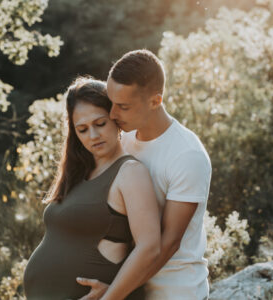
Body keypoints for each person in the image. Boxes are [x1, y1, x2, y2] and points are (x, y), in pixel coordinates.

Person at [78, 50, 212, 300]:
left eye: (123, 106)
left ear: (155, 101)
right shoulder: (123, 140)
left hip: (174, 293)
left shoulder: (187, 155)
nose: (113, 114)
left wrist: (113, 294)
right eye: (112, 103)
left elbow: (167, 244)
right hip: (130, 289)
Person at [23, 76, 161, 300]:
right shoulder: (77, 174)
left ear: (115, 117)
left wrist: (110, 298)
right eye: (83, 129)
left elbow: (149, 248)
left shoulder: (130, 172)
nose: (93, 136)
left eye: (100, 124)